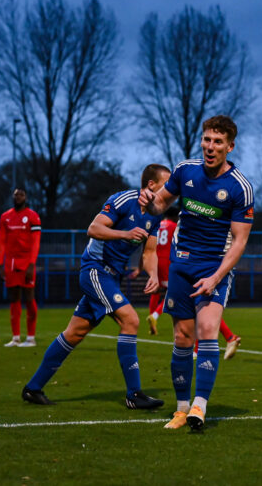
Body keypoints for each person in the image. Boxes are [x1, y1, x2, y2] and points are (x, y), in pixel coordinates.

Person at [21, 164, 170, 410]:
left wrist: (152, 273)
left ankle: (33, 388)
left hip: (111, 278)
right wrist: (124, 234)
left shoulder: (156, 215)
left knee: (74, 333)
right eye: (167, 186)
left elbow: (150, 251)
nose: (170, 193)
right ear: (152, 185)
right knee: (131, 320)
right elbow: (94, 228)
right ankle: (134, 394)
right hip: (95, 270)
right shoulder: (124, 200)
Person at [139, 115, 254, 432]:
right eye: (207, 140)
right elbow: (160, 203)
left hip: (214, 268)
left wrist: (216, 277)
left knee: (207, 329)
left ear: (230, 146)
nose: (210, 147)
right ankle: (180, 409)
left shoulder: (239, 187)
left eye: (218, 142)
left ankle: (199, 406)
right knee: (181, 337)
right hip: (182, 265)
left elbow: (240, 242)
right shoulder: (184, 171)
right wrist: (149, 202)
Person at [151, 207, 242, 359]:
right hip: (184, 264)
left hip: (176, 264)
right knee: (200, 306)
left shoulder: (164, 225)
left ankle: (155, 315)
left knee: (199, 305)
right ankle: (228, 338)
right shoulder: (180, 225)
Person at [0, 187, 42, 348]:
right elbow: (2, 241)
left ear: (26, 197)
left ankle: (31, 338)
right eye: (16, 195)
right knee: (13, 298)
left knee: (29, 298)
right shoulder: (5, 217)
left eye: (21, 195)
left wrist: (32, 264)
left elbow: (36, 243)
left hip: (26, 263)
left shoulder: (33, 217)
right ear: (12, 197)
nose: (18, 197)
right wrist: (0, 263)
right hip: (10, 263)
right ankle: (15, 338)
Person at [147, 207, 178, 336]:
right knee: (173, 291)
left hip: (155, 259)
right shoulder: (174, 226)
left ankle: (152, 319)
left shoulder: (158, 225)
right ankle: (154, 315)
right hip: (167, 261)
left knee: (156, 290)